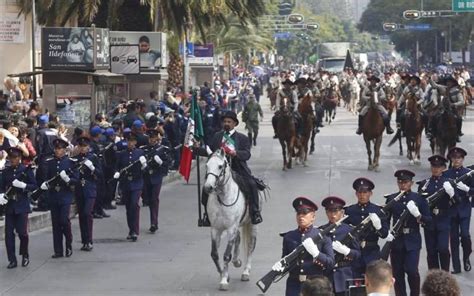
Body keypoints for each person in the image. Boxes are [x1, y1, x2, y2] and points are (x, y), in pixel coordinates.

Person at [196, 111, 263, 225]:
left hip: (238, 170)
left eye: (229, 122)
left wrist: (235, 153)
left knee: (251, 184)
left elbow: (247, 154)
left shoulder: (242, 138)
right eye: (225, 121)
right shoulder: (217, 136)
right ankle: (207, 215)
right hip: (219, 171)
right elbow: (210, 152)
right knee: (206, 188)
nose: (226, 123)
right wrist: (196, 149)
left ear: (234, 124)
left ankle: (255, 212)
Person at [272, 197, 335, 296]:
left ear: (313, 217)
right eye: (298, 213)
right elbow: (286, 262)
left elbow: (330, 263)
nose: (301, 217)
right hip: (294, 285)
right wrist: (280, 266)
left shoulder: (323, 236)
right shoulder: (289, 237)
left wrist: (317, 254)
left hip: (315, 286)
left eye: (304, 213)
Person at [385, 169, 431, 296]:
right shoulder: (391, 199)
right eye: (400, 182)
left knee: (412, 271)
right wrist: (386, 233)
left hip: (412, 241)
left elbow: (429, 220)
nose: (403, 185)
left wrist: (418, 215)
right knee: (397, 273)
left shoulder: (419, 199)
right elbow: (386, 220)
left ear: (411, 183)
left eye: (405, 182)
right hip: (397, 241)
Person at [39, 138, 79, 258]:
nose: (57, 151)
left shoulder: (71, 162)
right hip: (53, 195)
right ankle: (58, 250)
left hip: (65, 194)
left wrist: (68, 180)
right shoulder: (49, 162)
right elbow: (46, 177)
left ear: (65, 149)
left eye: (60, 148)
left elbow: (76, 180)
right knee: (56, 223)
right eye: (56, 148)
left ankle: (68, 243)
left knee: (63, 220)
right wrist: (45, 184)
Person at [417, 155, 456, 272]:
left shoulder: (448, 183)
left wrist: (451, 193)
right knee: (431, 250)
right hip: (429, 221)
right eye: (433, 166)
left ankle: (445, 273)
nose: (436, 169)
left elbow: (456, 202)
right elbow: (419, 202)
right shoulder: (424, 184)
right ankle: (434, 275)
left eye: (439, 166)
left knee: (443, 248)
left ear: (444, 168)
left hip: (444, 219)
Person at [0, 147, 37, 268]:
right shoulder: (6, 171)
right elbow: (1, 186)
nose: (12, 160)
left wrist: (23, 185)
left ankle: (25, 254)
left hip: (21, 205)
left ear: (19, 158)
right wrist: (1, 195)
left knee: (22, 233)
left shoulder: (25, 170)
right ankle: (12, 260)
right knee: (9, 235)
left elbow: (33, 186)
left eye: (15, 158)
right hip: (10, 206)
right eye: (11, 158)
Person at [345, 177, 389, 276]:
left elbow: (384, 234)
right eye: (360, 192)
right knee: (354, 285)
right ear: (356, 194)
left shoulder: (378, 210)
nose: (362, 195)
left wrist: (378, 227)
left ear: (370, 193)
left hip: (372, 252)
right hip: (354, 253)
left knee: (373, 283)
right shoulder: (349, 211)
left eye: (365, 192)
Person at [320, 196, 361, 296]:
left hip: (344, 275)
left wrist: (347, 251)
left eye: (336, 211)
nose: (333, 214)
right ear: (326, 212)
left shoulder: (350, 230)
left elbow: (358, 254)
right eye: (330, 211)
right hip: (326, 277)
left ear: (342, 213)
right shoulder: (321, 231)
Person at [444, 147, 474, 273]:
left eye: (459, 158)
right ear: (451, 159)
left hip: (464, 209)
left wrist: (467, 189)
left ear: (462, 159)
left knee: (465, 236)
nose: (457, 160)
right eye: (454, 158)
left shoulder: (469, 173)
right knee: (454, 239)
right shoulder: (446, 174)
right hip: (451, 210)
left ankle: (466, 256)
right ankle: (456, 267)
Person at [113, 133, 147, 241]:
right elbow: (117, 167)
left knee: (134, 204)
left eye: (132, 141)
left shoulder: (140, 153)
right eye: (128, 141)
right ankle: (131, 229)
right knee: (128, 207)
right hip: (126, 183)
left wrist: (144, 164)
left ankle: (135, 231)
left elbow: (145, 170)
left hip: (137, 182)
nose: (130, 143)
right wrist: (116, 173)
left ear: (135, 142)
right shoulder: (122, 154)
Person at [73, 136, 103, 251]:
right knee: (81, 214)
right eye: (81, 146)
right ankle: (84, 240)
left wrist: (92, 168)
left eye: (84, 146)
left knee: (87, 213)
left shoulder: (93, 158)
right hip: (79, 189)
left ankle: (89, 240)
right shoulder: (75, 159)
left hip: (90, 188)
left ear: (88, 147)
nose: (82, 148)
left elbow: (100, 174)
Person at [142, 129, 170, 233]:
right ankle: (153, 221)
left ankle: (154, 222)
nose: (152, 140)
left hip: (156, 176)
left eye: (154, 138)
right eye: (150, 138)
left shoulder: (162, 149)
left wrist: (160, 162)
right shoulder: (143, 149)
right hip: (146, 177)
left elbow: (167, 164)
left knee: (154, 199)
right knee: (149, 200)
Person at [429, 75, 465, 142]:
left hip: (452, 109)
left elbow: (462, 101)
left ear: (453, 83)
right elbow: (434, 85)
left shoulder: (456, 91)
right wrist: (429, 79)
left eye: (450, 82)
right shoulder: (442, 88)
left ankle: (458, 133)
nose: (448, 83)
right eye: (447, 82)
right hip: (442, 108)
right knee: (433, 116)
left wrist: (454, 104)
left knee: (459, 118)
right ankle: (432, 132)